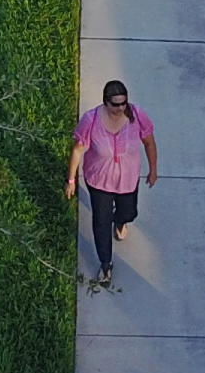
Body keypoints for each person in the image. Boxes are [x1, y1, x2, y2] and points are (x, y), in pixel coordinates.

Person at [65, 82, 158, 290]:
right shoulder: (91, 120)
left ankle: (121, 221)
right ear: (105, 102)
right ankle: (106, 264)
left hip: (127, 181)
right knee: (101, 222)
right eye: (116, 104)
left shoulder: (136, 115)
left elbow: (149, 143)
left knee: (129, 212)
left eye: (124, 103)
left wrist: (153, 170)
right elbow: (78, 150)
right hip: (99, 182)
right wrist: (71, 180)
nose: (121, 108)